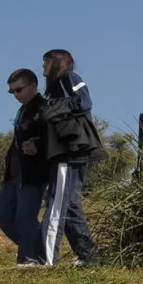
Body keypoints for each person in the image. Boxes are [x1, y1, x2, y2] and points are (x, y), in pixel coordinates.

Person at [38, 50, 102, 266]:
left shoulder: (68, 78)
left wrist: (50, 109)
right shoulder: (56, 88)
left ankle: (45, 260)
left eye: (46, 63)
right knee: (71, 204)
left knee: (57, 204)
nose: (43, 69)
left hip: (70, 152)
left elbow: (84, 102)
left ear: (57, 63)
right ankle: (89, 257)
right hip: (71, 152)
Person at [0, 69, 49, 266]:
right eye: (12, 92)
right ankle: (40, 251)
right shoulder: (23, 110)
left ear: (33, 86)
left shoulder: (43, 107)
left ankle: (28, 257)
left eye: (18, 90)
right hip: (14, 172)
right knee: (2, 214)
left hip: (32, 172)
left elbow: (54, 136)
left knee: (25, 217)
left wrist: (38, 146)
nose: (15, 95)